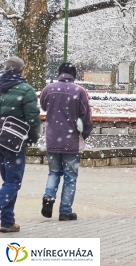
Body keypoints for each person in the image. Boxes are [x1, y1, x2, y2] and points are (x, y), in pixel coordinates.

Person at [40, 62, 93, 222]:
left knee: (54, 172)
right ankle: (65, 211)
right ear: (74, 75)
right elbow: (86, 116)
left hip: (52, 138)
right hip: (72, 141)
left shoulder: (48, 89)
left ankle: (48, 198)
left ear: (59, 73)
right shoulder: (79, 91)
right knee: (70, 176)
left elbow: (43, 106)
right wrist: (84, 133)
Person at [0, 57, 41, 232]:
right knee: (13, 181)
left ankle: (7, 222)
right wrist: (32, 138)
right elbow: (32, 118)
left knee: (8, 181)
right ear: (21, 71)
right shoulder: (26, 90)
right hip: (13, 141)